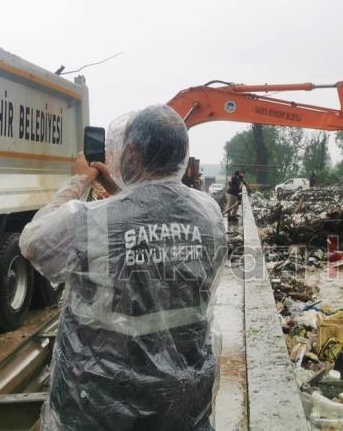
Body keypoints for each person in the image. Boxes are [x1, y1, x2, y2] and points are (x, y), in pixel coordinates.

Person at [19, 105, 227, 431]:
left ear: (131, 153)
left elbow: (33, 242)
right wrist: (119, 189)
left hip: (98, 409)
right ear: (181, 156)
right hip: (181, 407)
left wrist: (81, 180)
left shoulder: (93, 221)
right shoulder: (209, 215)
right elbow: (151, 214)